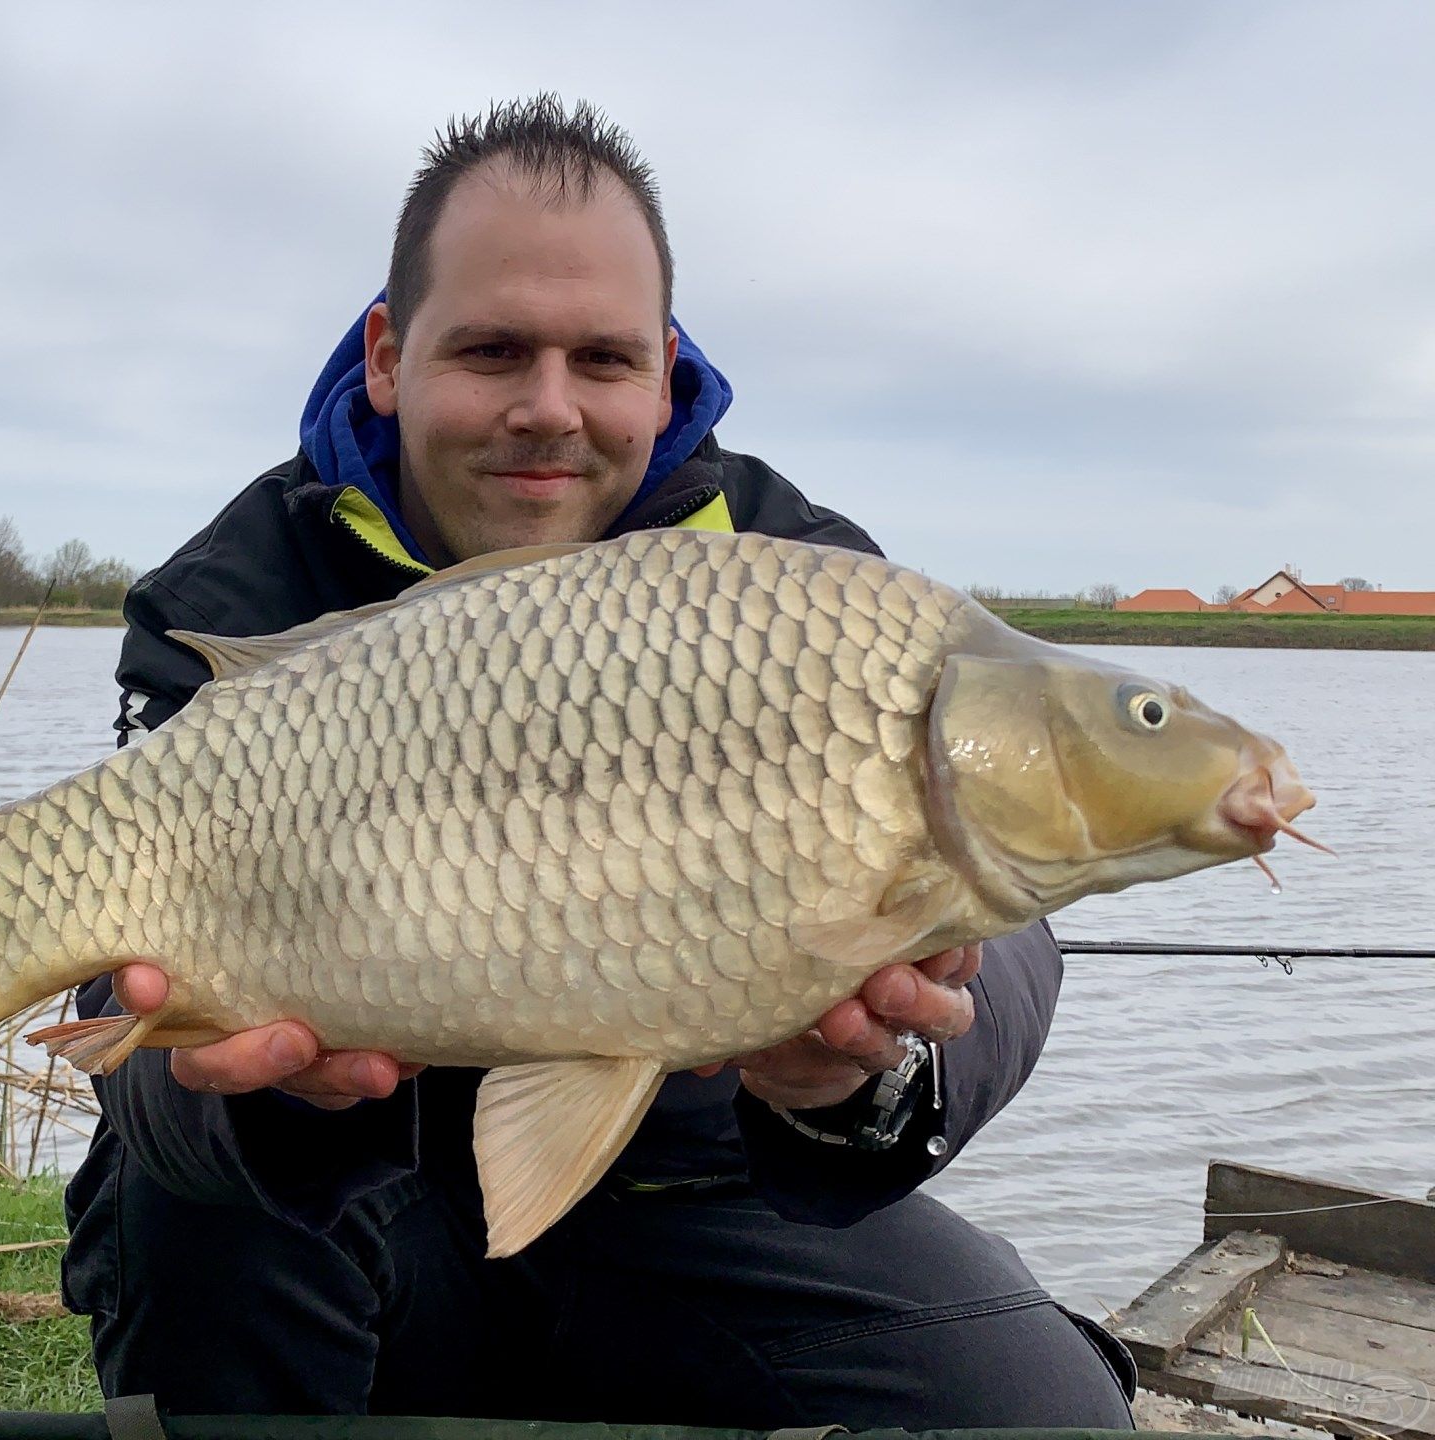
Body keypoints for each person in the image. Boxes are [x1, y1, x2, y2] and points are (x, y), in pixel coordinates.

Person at [60, 95, 1137, 1429]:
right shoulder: (237, 593)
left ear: (667, 367)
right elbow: (125, 1005)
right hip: (337, 1203)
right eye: (495, 350)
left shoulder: (797, 575)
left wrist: (867, 1076)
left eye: (604, 359)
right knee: (199, 1217)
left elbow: (1009, 921)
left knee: (1043, 1415)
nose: (548, 410)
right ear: (390, 355)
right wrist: (266, 1100)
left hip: (686, 1194)